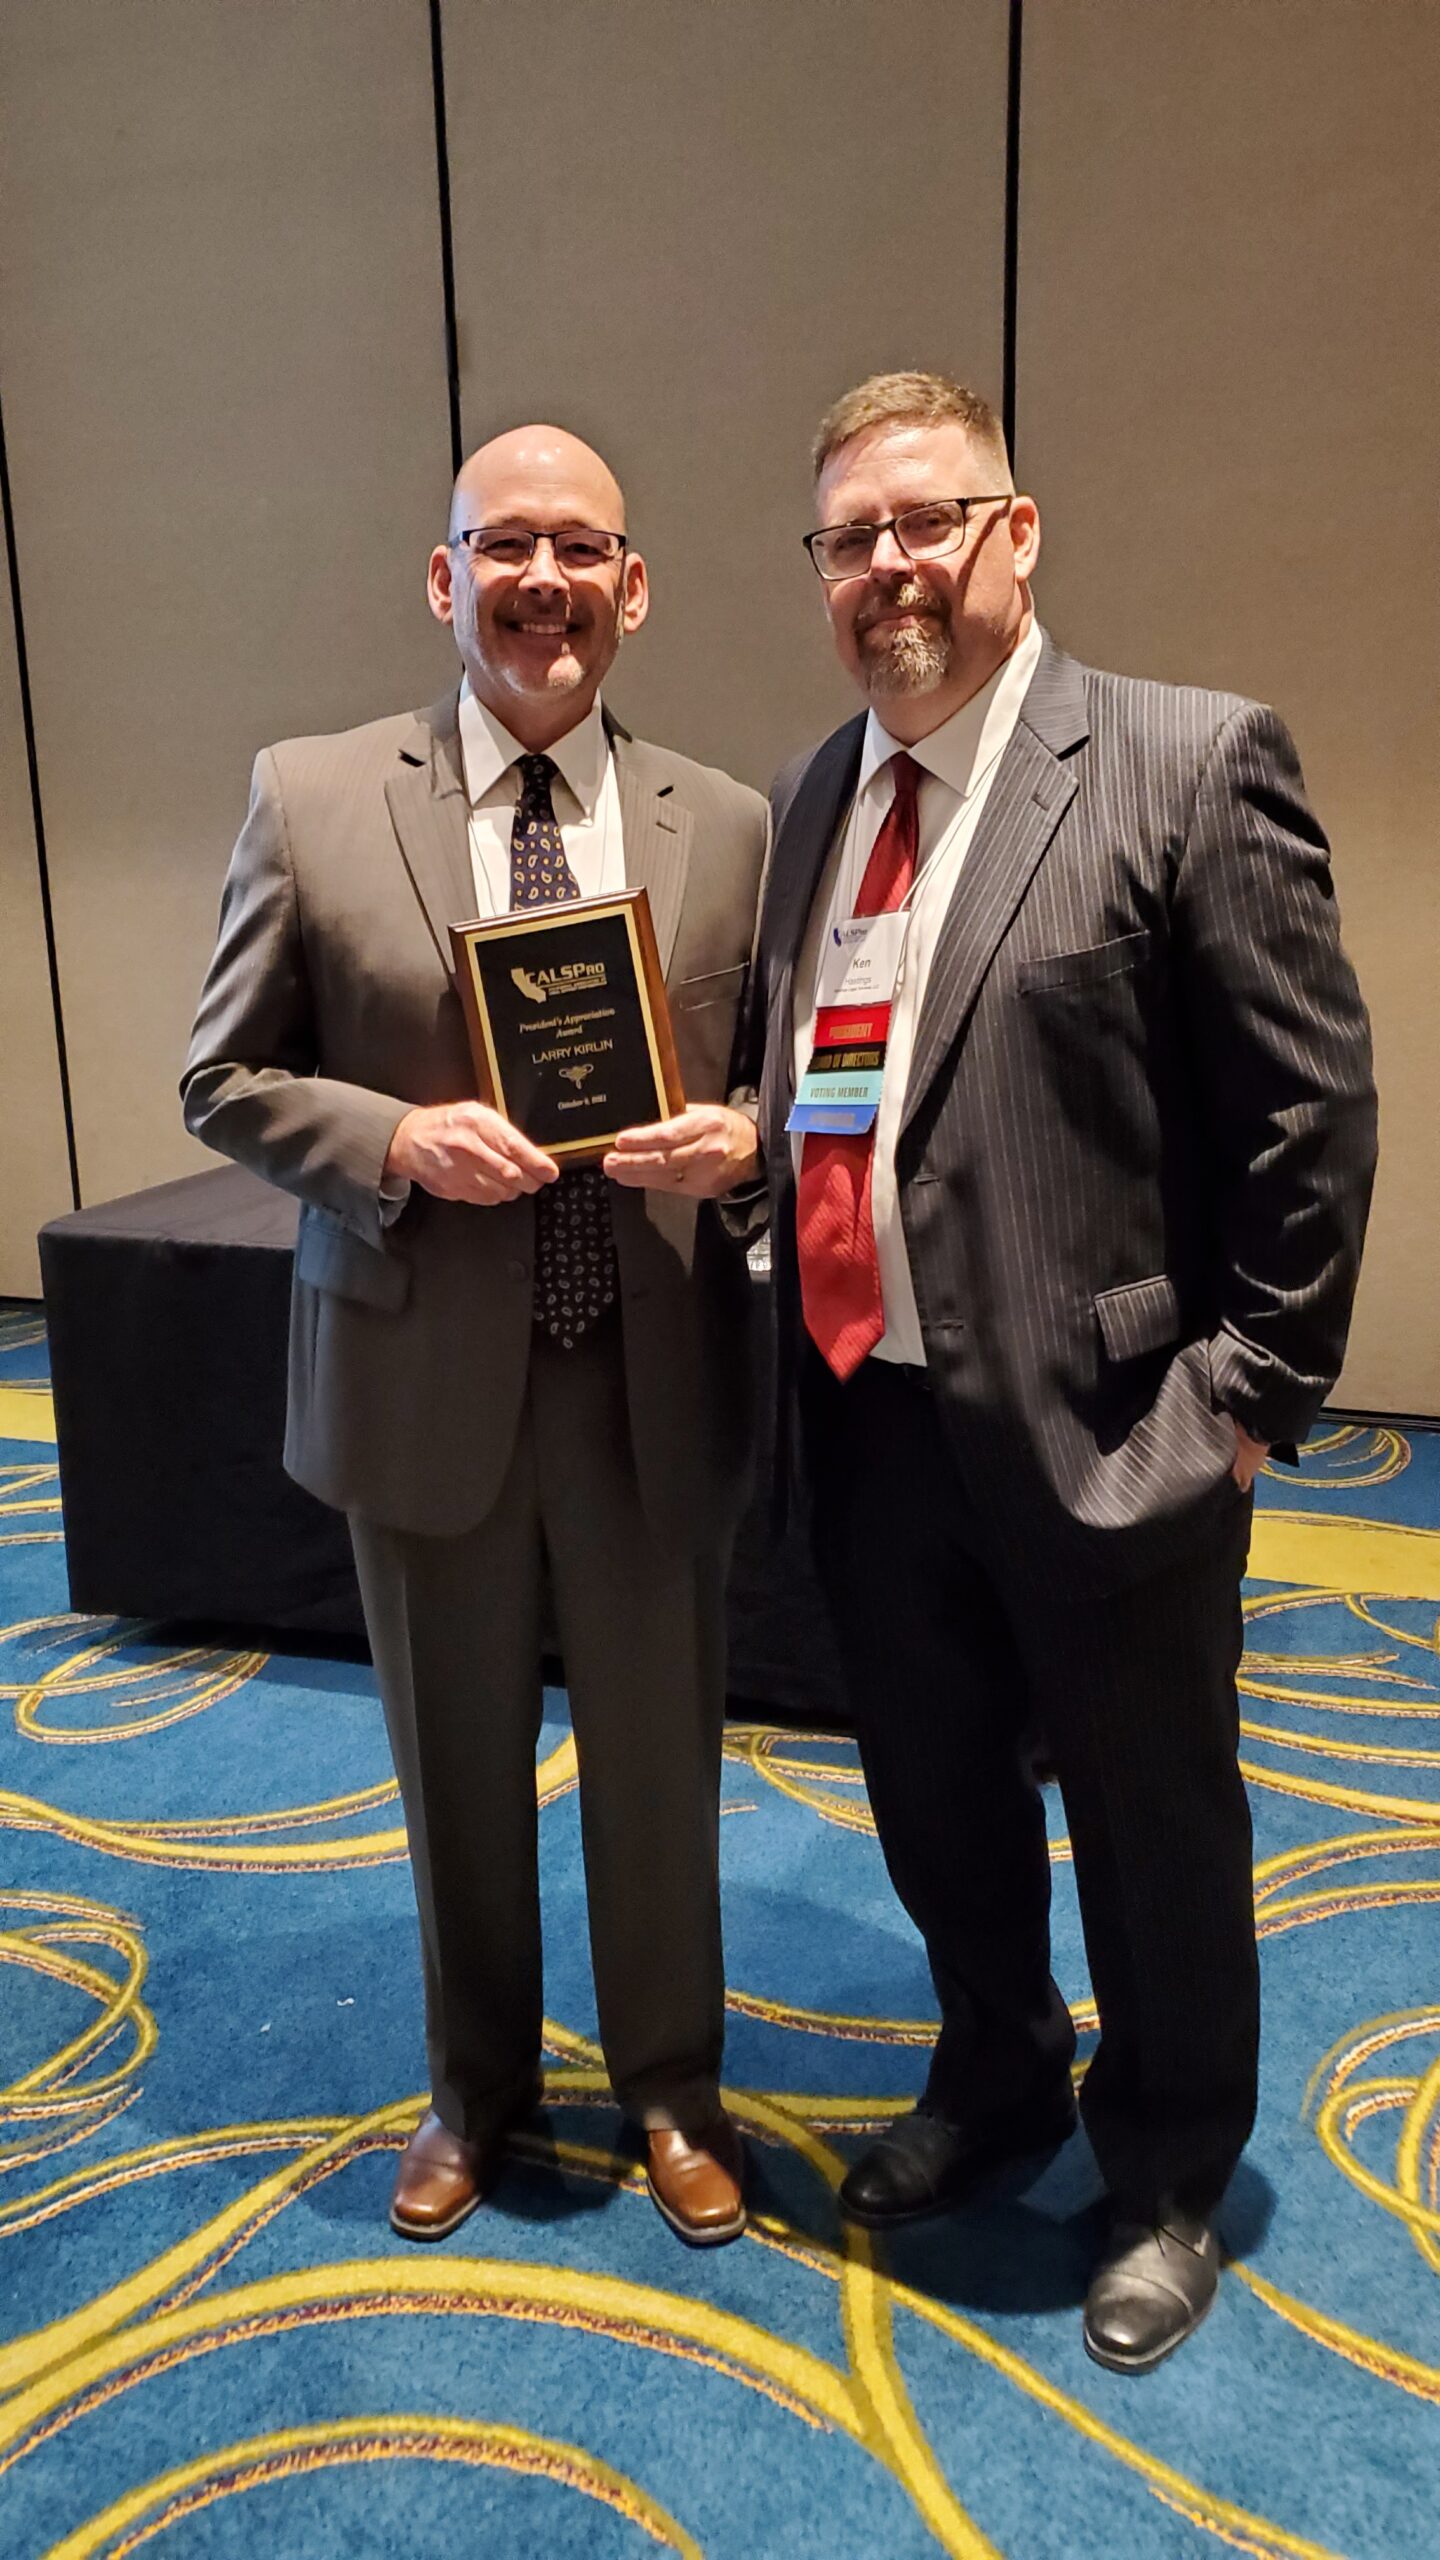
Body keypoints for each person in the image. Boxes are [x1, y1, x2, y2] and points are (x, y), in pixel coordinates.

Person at [741, 371, 1376, 2368]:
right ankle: (1000, 2069)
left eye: (929, 519)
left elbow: (1309, 1117)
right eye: (851, 536)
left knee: (1153, 1819)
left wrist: (1247, 1403)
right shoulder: (817, 800)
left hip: (1119, 1429)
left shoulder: (1187, 759)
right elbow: (838, 1088)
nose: (890, 564)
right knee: (934, 1796)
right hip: (869, 1412)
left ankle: (1170, 2168)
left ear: (1018, 533)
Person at [183, 426, 767, 2248]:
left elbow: (783, 1077)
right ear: (446, 579)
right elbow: (224, 1077)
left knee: (662, 1756)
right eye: (505, 546)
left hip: (649, 1367)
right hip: (426, 1361)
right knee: (451, 1755)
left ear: (632, 589)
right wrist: (393, 1140)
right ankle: (475, 2084)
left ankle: (670, 2084)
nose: (543, 582)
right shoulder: (309, 795)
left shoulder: (729, 822)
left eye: (580, 549)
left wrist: (747, 1135)